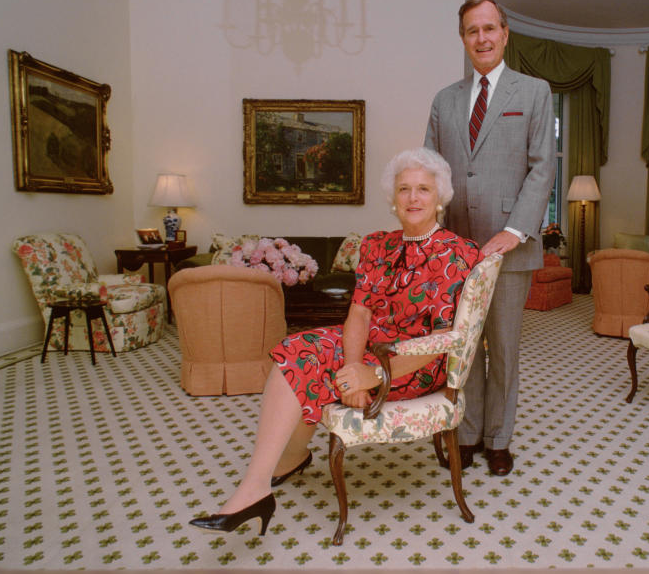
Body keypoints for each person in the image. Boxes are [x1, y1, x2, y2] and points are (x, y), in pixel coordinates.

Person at [189, 147, 481, 535]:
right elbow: (359, 313)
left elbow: (443, 339)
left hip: (416, 364)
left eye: (423, 189)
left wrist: (373, 376)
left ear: (440, 197)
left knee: (309, 364)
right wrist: (350, 367)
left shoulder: (458, 252)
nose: (413, 198)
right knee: (296, 351)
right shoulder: (377, 245)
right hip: (370, 349)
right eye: (404, 189)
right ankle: (259, 485)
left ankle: (282, 467)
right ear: (393, 198)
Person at [424, 0, 555, 476]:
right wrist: (431, 232)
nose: (481, 38)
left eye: (489, 29)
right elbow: (432, 169)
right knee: (463, 344)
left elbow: (542, 169)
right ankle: (469, 432)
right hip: (455, 248)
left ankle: (500, 438)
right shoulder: (445, 99)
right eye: (471, 31)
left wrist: (514, 230)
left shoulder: (534, 92)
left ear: (504, 33)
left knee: (502, 347)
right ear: (463, 39)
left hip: (510, 249)